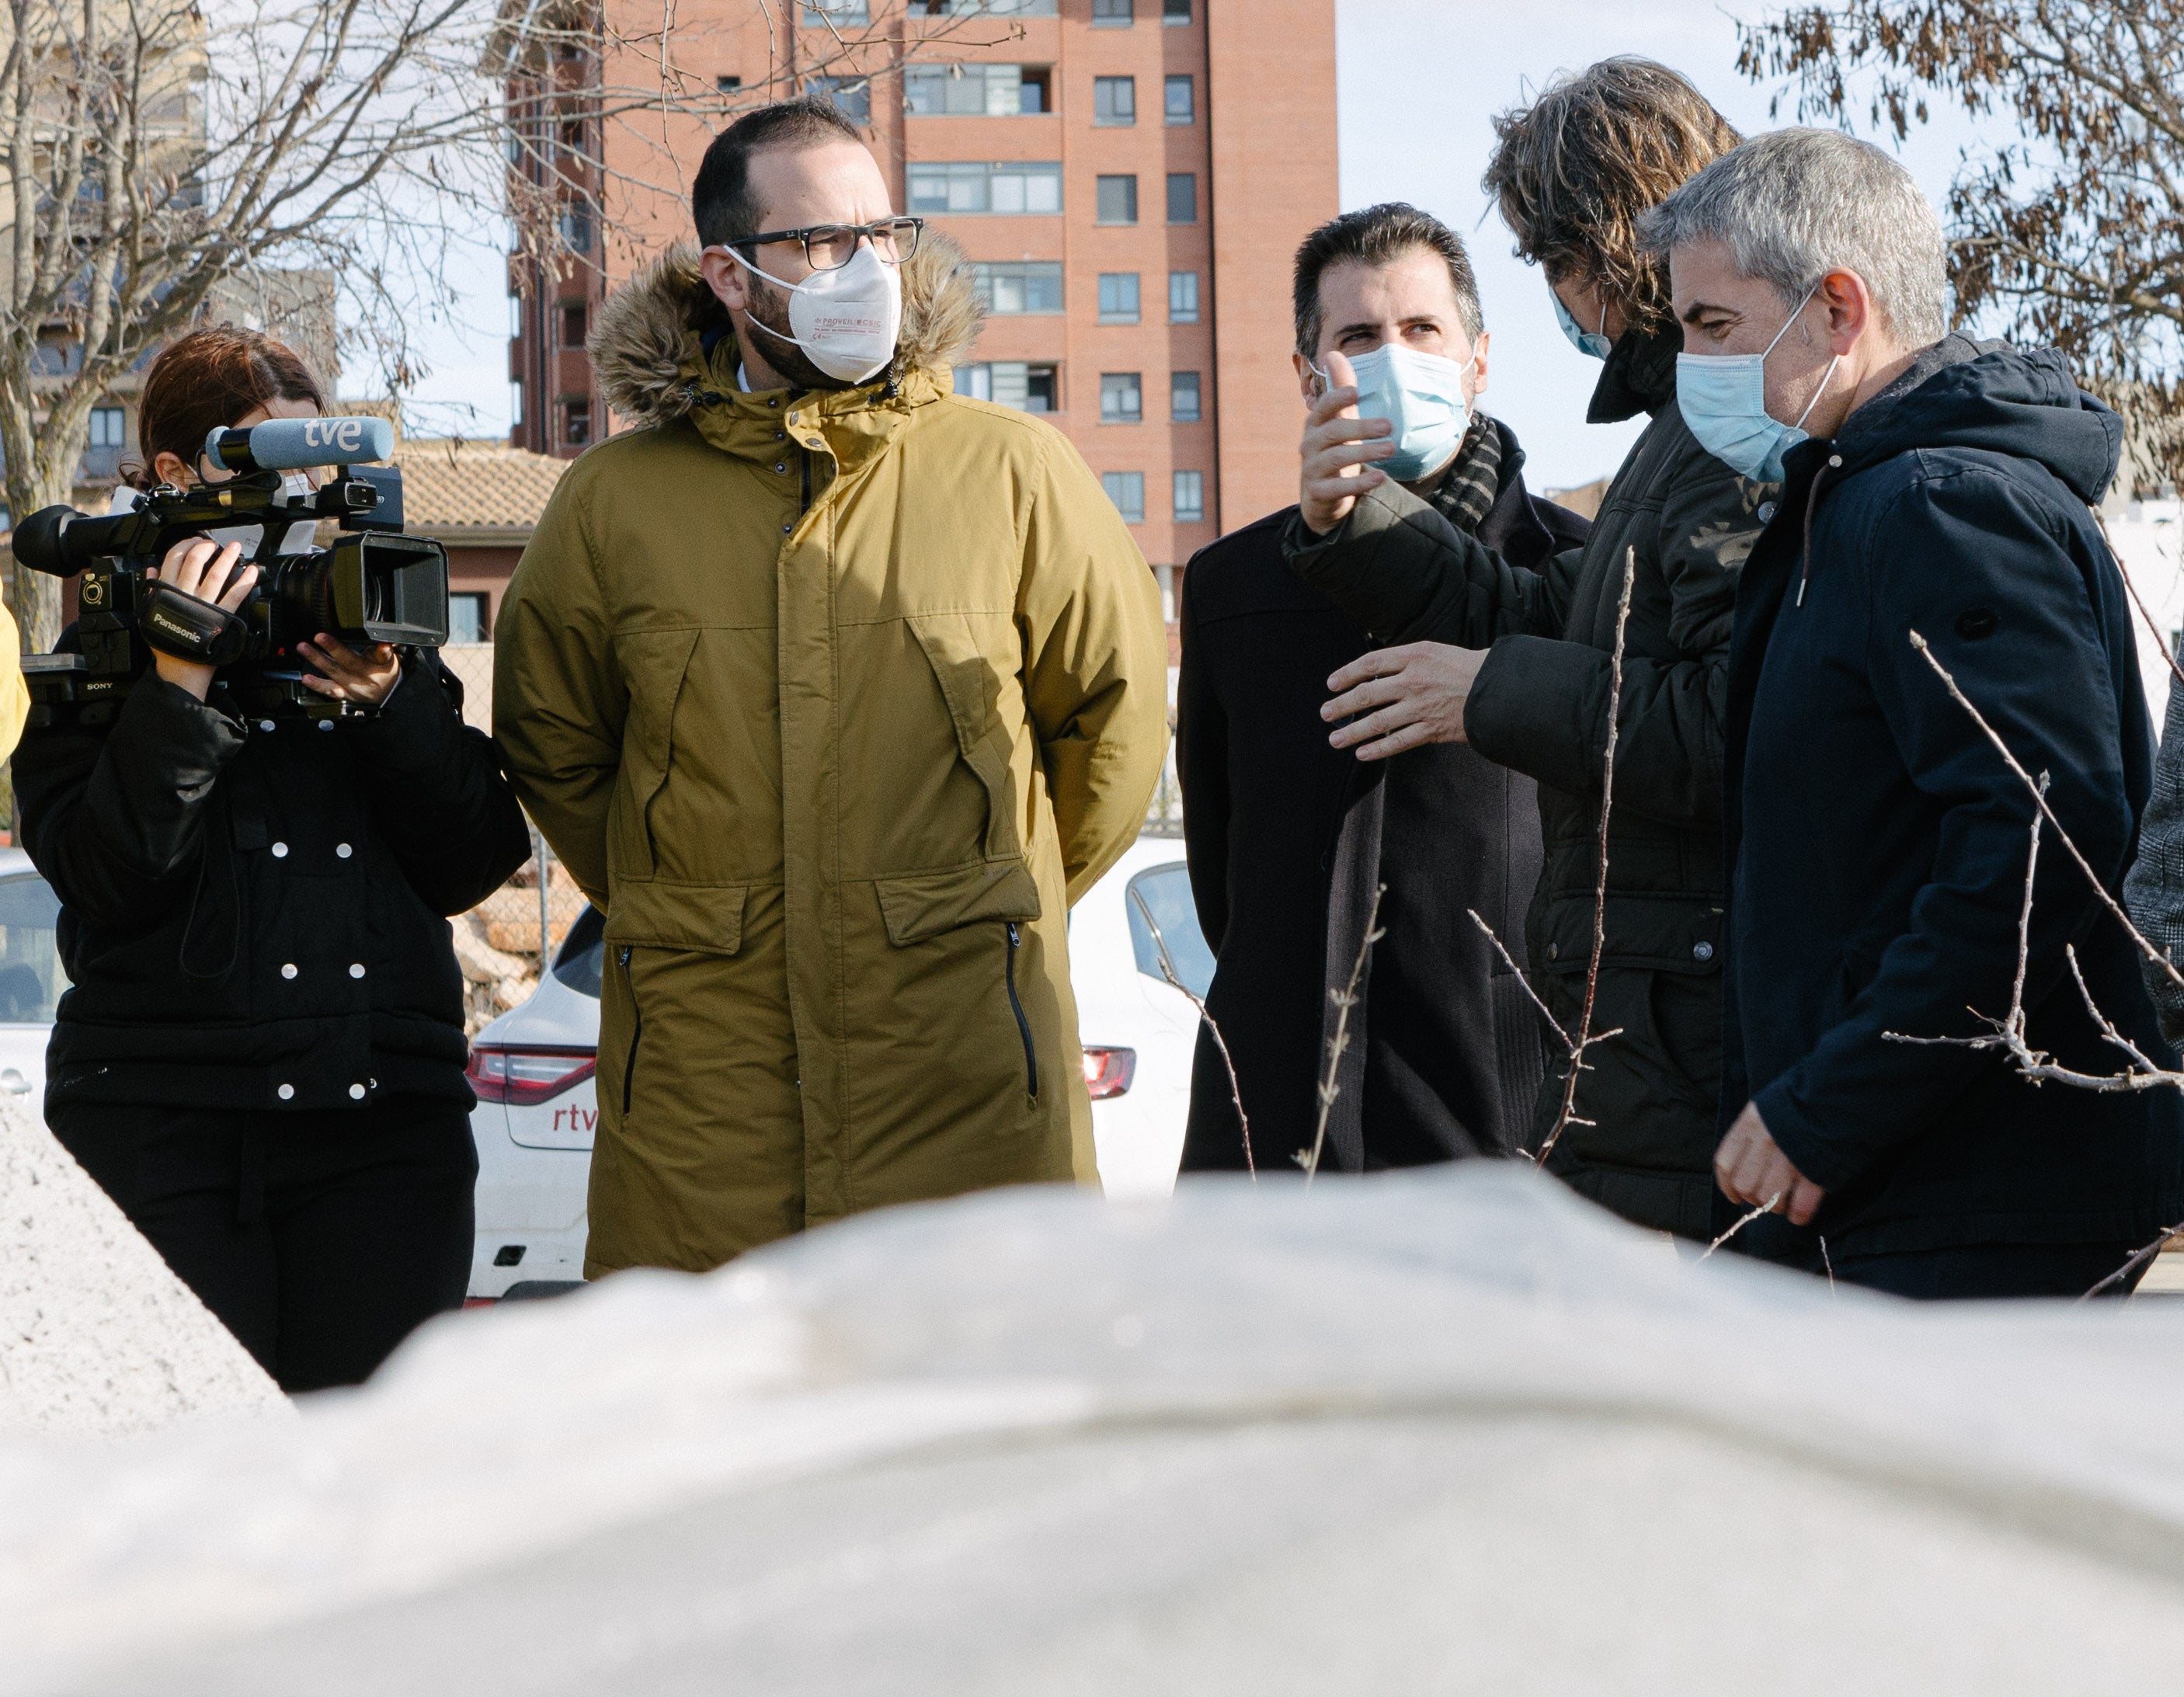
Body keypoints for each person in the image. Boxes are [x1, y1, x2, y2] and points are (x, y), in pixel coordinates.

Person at [494, 98, 1169, 1278]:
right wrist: (689, 896)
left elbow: (1111, 729)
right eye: (821, 242)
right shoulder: (612, 502)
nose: (867, 268)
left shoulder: (1013, 472)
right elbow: (557, 747)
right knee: (724, 1437)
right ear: (732, 275)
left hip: (965, 1079)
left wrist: (972, 900)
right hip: (707, 1114)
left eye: (884, 232)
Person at [1639, 128, 2184, 1297]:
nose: (1689, 364)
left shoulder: (1941, 506)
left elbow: (2043, 837)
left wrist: (1828, 1106)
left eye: (1713, 325)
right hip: (1909, 1181)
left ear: (1840, 307)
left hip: (1969, 1190)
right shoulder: (1858, 504)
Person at [1278, 61, 1751, 1237]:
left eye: (1551, 259)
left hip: (1662, 1038)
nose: (1559, 294)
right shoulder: (1678, 427)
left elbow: (1709, 721)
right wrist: (1354, 524)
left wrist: (1485, 692)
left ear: (1613, 243)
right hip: (1631, 1046)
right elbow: (1550, 616)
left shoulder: (1729, 431)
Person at [12, 326, 531, 1388]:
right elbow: (108, 878)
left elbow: (477, 856)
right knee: (189, 1491)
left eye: (309, 469)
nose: (293, 498)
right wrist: (179, 686)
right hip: (163, 1132)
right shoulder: (103, 656)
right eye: (257, 463)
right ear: (172, 473)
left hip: (381, 1135)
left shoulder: (368, 625)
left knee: (368, 1492)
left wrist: (392, 704)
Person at [1176, 203, 1588, 1174]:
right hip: (1275, 1122)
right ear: (1307, 373)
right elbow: (1219, 865)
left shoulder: (1577, 570)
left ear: (1477, 359)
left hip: (1506, 1119)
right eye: (1358, 336)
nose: (1393, 356)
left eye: (1422, 330)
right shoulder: (1234, 587)